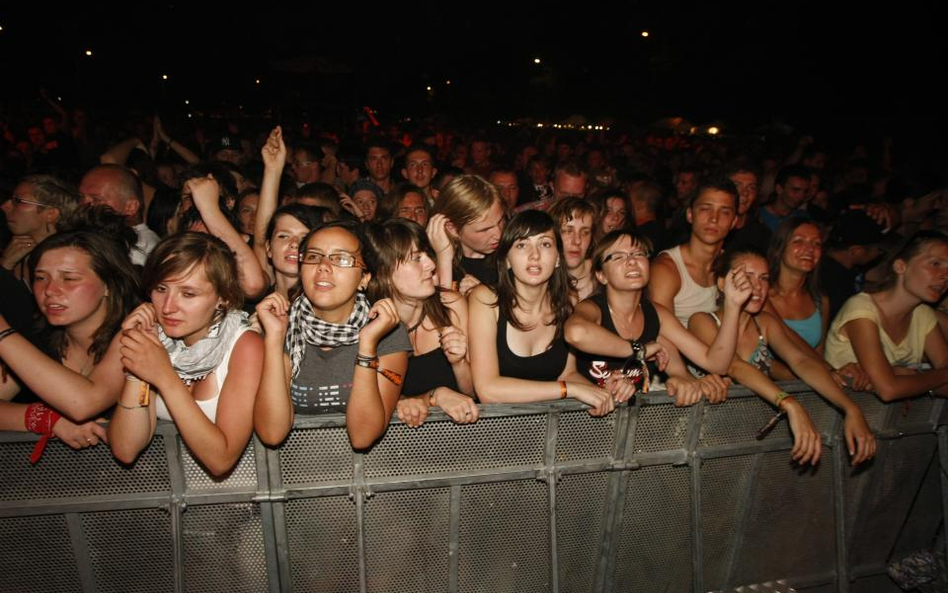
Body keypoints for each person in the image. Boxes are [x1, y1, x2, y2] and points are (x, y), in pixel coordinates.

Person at [689, 248, 876, 465]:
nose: (757, 287)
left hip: (744, 435)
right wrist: (789, 404)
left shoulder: (765, 323)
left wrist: (850, 408)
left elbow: (801, 361)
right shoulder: (703, 321)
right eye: (746, 276)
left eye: (764, 278)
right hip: (700, 439)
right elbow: (734, 367)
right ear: (723, 284)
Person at [108, 232, 263, 477]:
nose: (168, 307)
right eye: (161, 289)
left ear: (222, 297)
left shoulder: (245, 345)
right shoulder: (156, 339)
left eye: (188, 294)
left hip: (243, 504)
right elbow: (126, 449)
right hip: (176, 501)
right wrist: (138, 363)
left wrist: (165, 377)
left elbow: (221, 460)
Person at [254, 220, 412, 449]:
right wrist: (273, 340)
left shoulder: (387, 331)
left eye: (341, 259)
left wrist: (367, 344)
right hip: (299, 476)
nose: (324, 266)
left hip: (372, 478)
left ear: (364, 278)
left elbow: (363, 436)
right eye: (314, 257)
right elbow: (271, 433)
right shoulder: (283, 327)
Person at [565, 230, 752, 408]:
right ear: (601, 275)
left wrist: (733, 306)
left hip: (632, 423)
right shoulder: (592, 308)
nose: (631, 261)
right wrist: (640, 350)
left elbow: (716, 363)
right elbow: (576, 333)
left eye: (638, 254)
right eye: (618, 256)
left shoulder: (656, 314)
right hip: (583, 420)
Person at [467, 211, 629, 416]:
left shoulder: (568, 302)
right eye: (521, 245)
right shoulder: (486, 299)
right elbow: (488, 390)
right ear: (507, 259)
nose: (534, 255)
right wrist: (569, 389)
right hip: (498, 431)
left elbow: (567, 372)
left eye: (545, 244)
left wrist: (599, 393)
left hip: (551, 428)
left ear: (558, 259)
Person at [0, 231, 140, 460]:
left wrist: (2, 332)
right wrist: (46, 418)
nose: (50, 291)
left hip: (147, 485)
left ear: (108, 285)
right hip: (60, 485)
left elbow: (84, 403)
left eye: (70, 278)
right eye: (40, 277)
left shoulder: (134, 330)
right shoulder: (37, 337)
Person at [364, 219, 478, 428]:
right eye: (416, 258)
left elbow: (473, 394)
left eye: (427, 254)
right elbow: (369, 402)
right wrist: (430, 397)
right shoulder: (369, 325)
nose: (431, 264)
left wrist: (459, 363)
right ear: (385, 273)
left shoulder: (450, 306)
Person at [824, 231, 948, 401]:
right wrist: (932, 376)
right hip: (837, 419)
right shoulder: (862, 309)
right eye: (935, 264)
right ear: (900, 267)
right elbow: (888, 390)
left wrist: (909, 377)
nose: (944, 276)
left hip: (886, 422)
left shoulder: (922, 314)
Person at [428, 174, 506, 293]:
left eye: (500, 221)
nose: (499, 235)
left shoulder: (511, 253)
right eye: (485, 230)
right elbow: (439, 310)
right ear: (452, 228)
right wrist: (444, 259)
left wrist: (483, 295)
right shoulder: (427, 262)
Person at [765, 218, 829, 351]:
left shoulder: (819, 300)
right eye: (799, 241)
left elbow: (819, 354)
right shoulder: (760, 294)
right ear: (779, 249)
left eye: (816, 244)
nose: (809, 249)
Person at [3, 174, 80, 282]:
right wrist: (5, 265)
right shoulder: (14, 254)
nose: (5, 206)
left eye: (18, 201)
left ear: (50, 214)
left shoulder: (74, 260)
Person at [547, 197, 598, 301]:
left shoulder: (606, 275)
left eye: (585, 232)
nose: (577, 241)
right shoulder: (540, 281)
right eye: (567, 231)